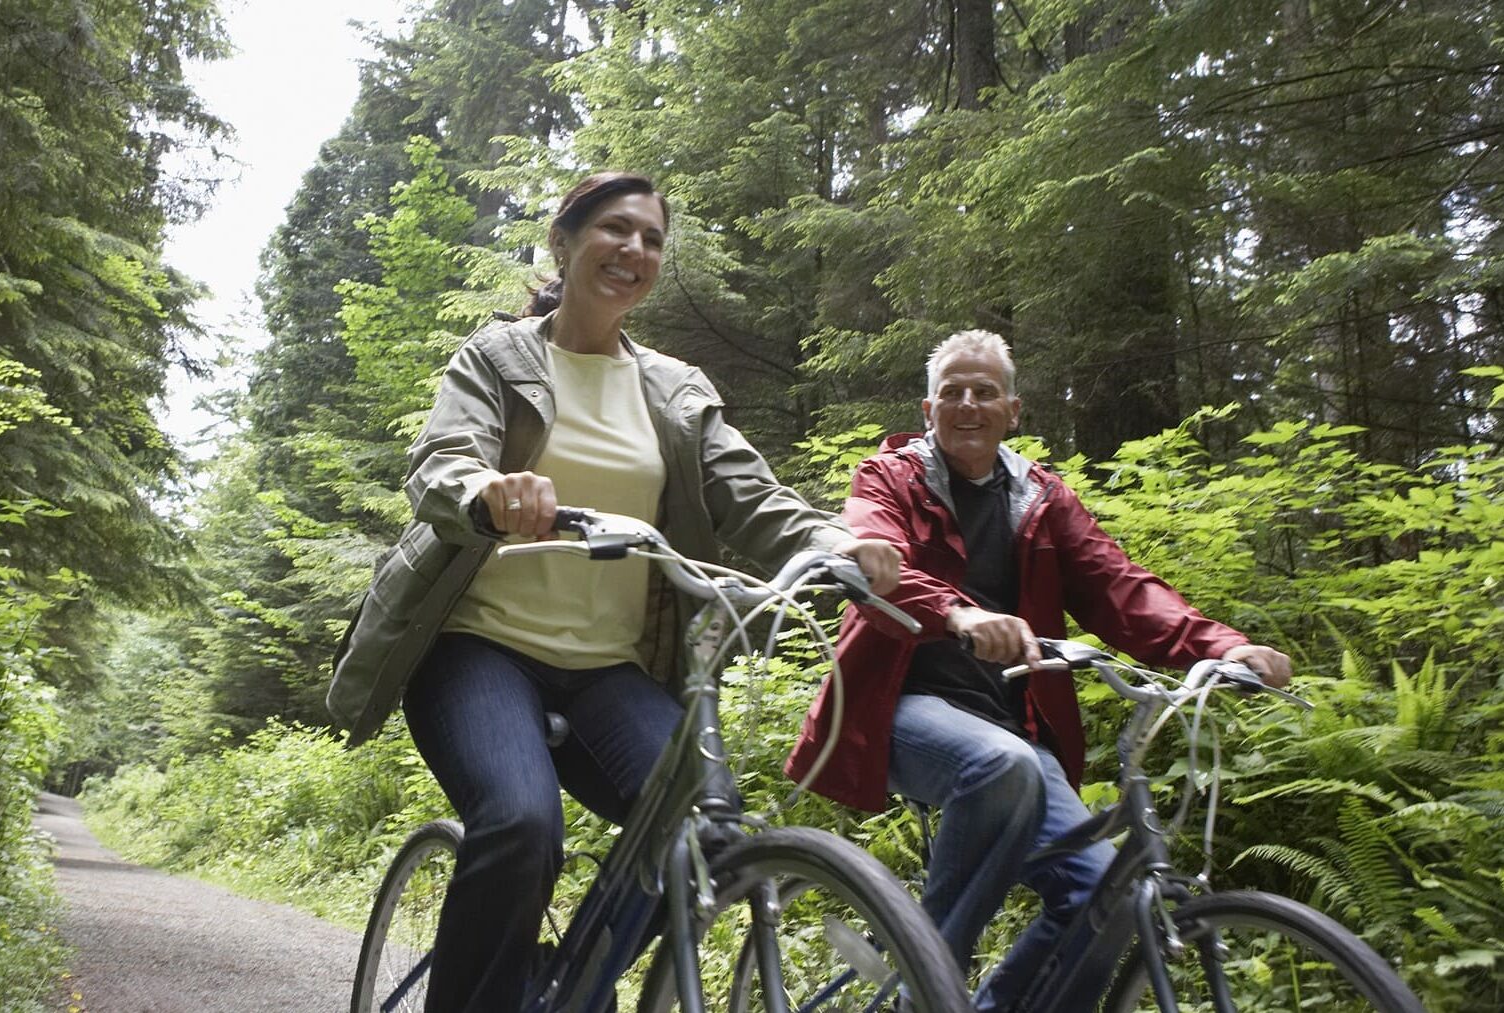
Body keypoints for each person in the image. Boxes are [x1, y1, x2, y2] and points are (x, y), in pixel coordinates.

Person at [326, 172, 902, 1013]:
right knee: (521, 824)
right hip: (479, 649)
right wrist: (489, 491)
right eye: (615, 229)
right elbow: (443, 462)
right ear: (562, 243)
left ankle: (571, 985)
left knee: (703, 835)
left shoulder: (675, 389)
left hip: (608, 669)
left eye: (652, 238)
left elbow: (751, 494)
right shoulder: (499, 357)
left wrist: (832, 541)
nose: (634, 249)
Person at [783, 329, 1292, 1012]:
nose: (968, 405)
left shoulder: (1043, 498)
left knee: (1103, 895)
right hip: (898, 706)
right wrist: (958, 615)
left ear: (1013, 410)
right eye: (952, 393)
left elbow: (1119, 586)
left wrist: (1221, 646)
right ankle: (925, 995)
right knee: (1000, 765)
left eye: (984, 391)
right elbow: (879, 563)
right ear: (928, 409)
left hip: (1012, 725)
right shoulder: (889, 478)